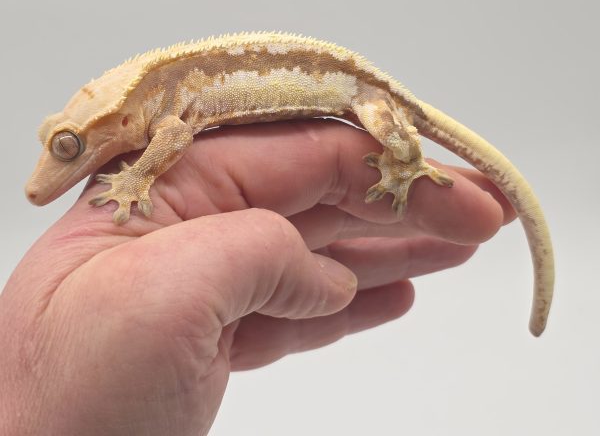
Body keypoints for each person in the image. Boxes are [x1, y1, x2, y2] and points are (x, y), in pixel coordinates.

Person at [0, 120, 513, 435]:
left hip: (363, 95)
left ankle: (409, 164)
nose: (43, 178)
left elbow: (175, 136)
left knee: (395, 146)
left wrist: (137, 177)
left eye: (66, 147)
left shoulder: (160, 115)